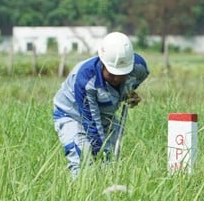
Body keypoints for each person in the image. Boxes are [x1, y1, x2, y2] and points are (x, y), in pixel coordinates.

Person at [53, 32, 149, 177]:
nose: (117, 78)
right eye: (112, 73)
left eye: (122, 74)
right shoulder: (86, 80)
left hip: (104, 114)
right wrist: (101, 153)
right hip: (72, 115)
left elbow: (135, 80)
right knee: (83, 157)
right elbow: (91, 123)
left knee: (111, 161)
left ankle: (107, 192)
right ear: (102, 63)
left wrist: (127, 93)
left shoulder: (138, 67)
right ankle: (80, 195)